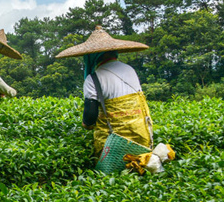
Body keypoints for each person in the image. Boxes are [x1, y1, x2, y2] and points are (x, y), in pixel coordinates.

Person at [55, 25, 152, 156]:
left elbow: (90, 116)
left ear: (92, 56)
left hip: (114, 144)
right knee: (139, 169)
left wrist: (86, 125)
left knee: (111, 174)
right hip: (140, 136)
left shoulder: (93, 79)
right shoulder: (130, 69)